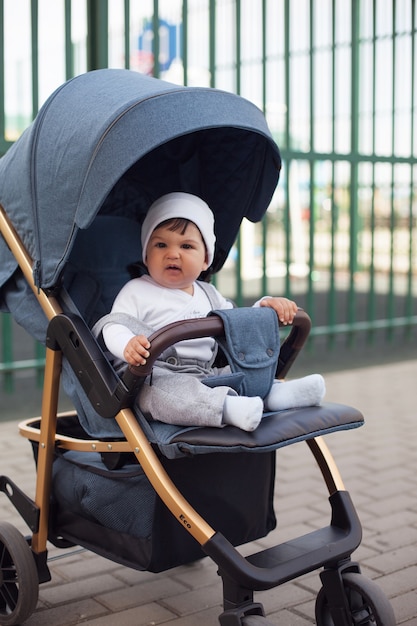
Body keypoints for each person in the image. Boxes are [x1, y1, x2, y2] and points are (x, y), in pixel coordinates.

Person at [102, 192, 325, 432]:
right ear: (146, 255)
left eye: (186, 246)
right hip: (154, 376)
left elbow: (238, 326)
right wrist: (127, 345)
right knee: (163, 395)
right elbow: (113, 325)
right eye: (160, 245)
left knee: (241, 372)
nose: (173, 253)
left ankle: (275, 393)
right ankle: (228, 408)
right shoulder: (137, 290)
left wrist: (265, 307)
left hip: (206, 373)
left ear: (206, 259)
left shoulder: (209, 294)